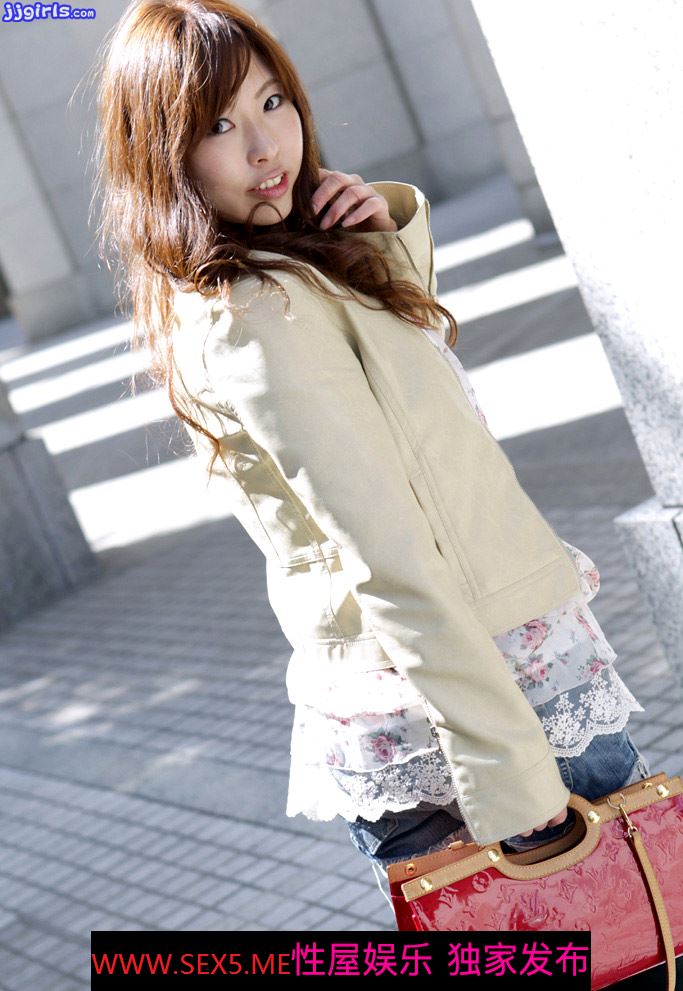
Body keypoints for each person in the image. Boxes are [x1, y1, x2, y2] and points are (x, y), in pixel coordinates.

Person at [92, 0, 651, 917]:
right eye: (218, 127)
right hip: (481, 706)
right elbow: (383, 550)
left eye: (272, 102)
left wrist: (374, 234)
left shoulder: (288, 271)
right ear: (166, 157)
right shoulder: (254, 312)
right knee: (630, 940)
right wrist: (510, 776)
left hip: (479, 684)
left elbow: (412, 413)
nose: (264, 146)